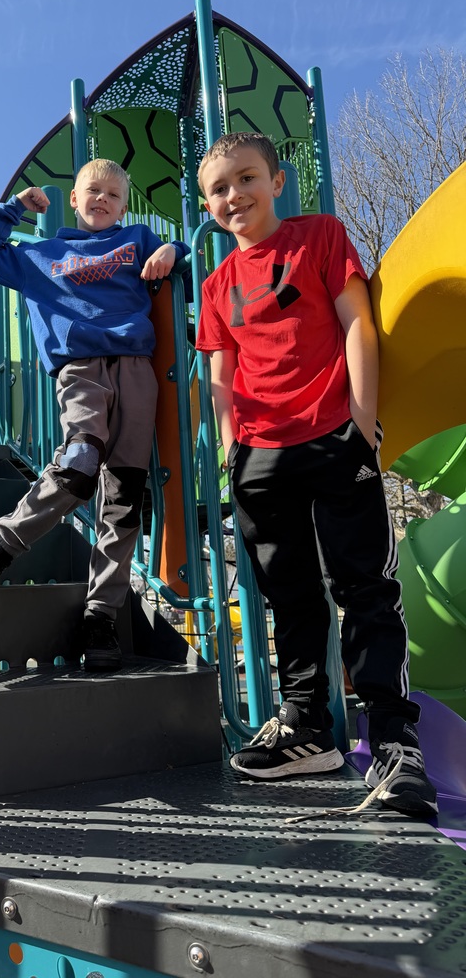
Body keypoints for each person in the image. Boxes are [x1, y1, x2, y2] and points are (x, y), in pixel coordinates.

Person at [195, 131, 437, 817]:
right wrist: (229, 450)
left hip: (332, 434)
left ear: (276, 180)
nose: (234, 195)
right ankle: (308, 729)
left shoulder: (320, 238)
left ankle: (393, 743)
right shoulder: (216, 285)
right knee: (289, 595)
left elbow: (356, 323)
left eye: (246, 178)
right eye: (219, 188)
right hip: (259, 453)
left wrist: (363, 421)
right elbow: (220, 372)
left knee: (364, 586)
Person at [0, 159, 190, 671]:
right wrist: (15, 208)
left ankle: (100, 613)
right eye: (93, 191)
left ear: (124, 205)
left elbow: (189, 263)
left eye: (112, 193)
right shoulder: (45, 252)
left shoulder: (138, 240)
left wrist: (176, 248)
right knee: (81, 462)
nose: (102, 199)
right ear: (76, 196)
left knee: (125, 494)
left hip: (136, 369)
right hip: (80, 367)